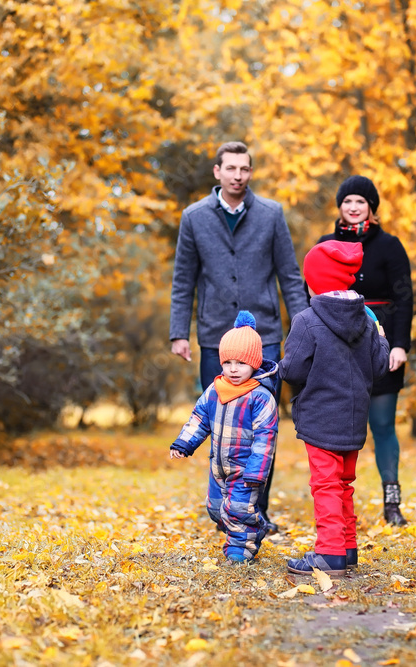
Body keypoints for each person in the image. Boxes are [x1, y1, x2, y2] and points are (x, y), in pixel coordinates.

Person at [169, 141, 309, 533]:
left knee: (260, 427)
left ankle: (255, 512)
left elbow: (290, 276)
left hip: (263, 337)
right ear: (217, 172)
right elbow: (184, 280)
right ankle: (224, 511)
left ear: (250, 172)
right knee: (219, 424)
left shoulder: (271, 214)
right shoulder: (194, 217)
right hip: (215, 336)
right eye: (230, 168)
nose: (237, 175)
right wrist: (179, 332)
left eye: (244, 169)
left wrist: (303, 330)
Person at [279, 241, 390, 576]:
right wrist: (382, 336)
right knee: (344, 483)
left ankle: (329, 552)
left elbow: (293, 370)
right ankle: (347, 546)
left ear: (314, 280)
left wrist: (280, 366)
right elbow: (381, 367)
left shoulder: (307, 320)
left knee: (325, 484)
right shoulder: (367, 320)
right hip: (354, 420)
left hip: (320, 419)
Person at [318, 175, 414, 526]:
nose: (354, 207)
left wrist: (400, 344)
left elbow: (405, 298)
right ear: (340, 207)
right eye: (347, 202)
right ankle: (338, 505)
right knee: (340, 426)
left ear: (371, 207)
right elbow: (311, 296)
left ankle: (392, 503)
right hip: (339, 348)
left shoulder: (390, 246)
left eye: (360, 201)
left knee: (383, 425)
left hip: (383, 344)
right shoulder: (325, 245)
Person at [169, 312, 280, 564]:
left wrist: (257, 472)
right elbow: (199, 419)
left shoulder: (261, 397)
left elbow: (266, 438)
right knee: (216, 508)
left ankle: (239, 553)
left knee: (238, 509)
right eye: (227, 362)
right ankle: (255, 525)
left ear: (254, 363)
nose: (233, 369)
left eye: (240, 363)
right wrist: (184, 443)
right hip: (218, 467)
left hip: (245, 471)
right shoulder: (214, 390)